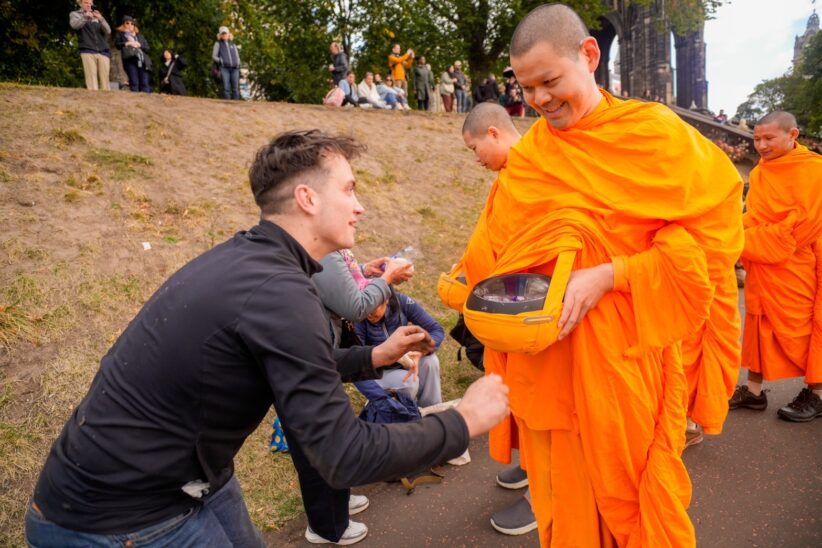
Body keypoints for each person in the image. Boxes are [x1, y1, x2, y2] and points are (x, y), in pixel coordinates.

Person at [24, 129, 510, 546]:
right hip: (120, 514)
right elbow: (343, 455)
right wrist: (463, 421)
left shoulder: (257, 262)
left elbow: (295, 360)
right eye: (349, 189)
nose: (359, 206)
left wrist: (376, 354)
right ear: (307, 198)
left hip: (189, 478)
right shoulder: (278, 291)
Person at [450, 4, 744, 545]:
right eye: (527, 88)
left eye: (550, 82)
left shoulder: (654, 135)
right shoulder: (531, 157)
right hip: (545, 366)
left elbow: (715, 240)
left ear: (589, 55)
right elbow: (495, 255)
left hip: (621, 364)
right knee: (561, 509)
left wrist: (614, 274)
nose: (540, 100)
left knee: (628, 505)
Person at [458, 103, 537, 536]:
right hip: (505, 309)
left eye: (474, 149)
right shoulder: (510, 174)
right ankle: (531, 466)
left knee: (540, 400)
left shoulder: (535, 169)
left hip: (528, 311)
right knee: (518, 395)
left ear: (493, 133)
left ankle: (544, 494)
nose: (475, 159)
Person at [730, 111, 822, 422]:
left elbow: (805, 225)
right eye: (757, 139)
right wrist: (735, 231)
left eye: (769, 138)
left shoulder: (814, 170)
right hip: (764, 263)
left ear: (792, 135)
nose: (761, 145)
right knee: (758, 324)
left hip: (798, 261)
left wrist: (748, 239)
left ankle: (817, 393)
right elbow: (755, 215)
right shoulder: (760, 172)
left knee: (803, 329)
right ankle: (754, 391)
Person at [355, 290, 444, 407]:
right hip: (378, 372)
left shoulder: (401, 302)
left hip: (404, 360)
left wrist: (419, 352)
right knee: (409, 382)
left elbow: (436, 330)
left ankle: (432, 410)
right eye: (366, 307)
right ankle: (396, 412)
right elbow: (357, 360)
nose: (369, 314)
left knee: (430, 361)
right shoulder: (358, 316)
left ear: (386, 299)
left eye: (373, 307)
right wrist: (392, 355)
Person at [69, 0, 112, 91]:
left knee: (105, 80)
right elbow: (74, 25)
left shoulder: (96, 14)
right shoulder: (75, 14)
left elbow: (108, 31)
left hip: (103, 50)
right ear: (80, 3)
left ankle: (106, 99)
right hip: (87, 50)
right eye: (86, 2)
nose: (88, 5)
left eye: (90, 3)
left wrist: (101, 19)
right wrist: (85, 17)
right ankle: (93, 99)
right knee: (91, 79)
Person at [114, 16, 151, 93]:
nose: (130, 25)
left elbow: (147, 49)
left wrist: (139, 45)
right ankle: (135, 99)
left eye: (132, 23)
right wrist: (128, 43)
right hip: (129, 60)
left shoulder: (140, 36)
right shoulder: (121, 35)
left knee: (144, 82)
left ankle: (146, 99)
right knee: (134, 82)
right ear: (123, 25)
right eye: (127, 23)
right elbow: (117, 45)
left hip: (142, 61)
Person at [213, 26, 241, 100]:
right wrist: (221, 61)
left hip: (235, 68)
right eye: (222, 34)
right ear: (220, 35)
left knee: (235, 88)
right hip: (224, 68)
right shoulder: (218, 44)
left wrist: (238, 63)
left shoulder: (233, 44)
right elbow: (214, 56)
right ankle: (227, 104)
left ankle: (236, 104)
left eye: (225, 33)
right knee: (226, 87)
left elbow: (237, 56)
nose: (224, 35)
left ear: (229, 34)